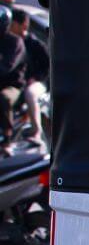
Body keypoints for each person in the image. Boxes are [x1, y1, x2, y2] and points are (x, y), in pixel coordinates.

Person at [8, 9, 47, 149]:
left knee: (30, 94)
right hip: (18, 83)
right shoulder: (9, 41)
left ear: (22, 24)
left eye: (13, 23)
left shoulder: (33, 44)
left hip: (37, 83)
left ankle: (36, 131)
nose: (10, 26)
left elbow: (47, 66)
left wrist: (35, 78)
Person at [0, 6, 26, 156]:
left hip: (12, 85)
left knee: (4, 98)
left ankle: (7, 138)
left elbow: (6, 67)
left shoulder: (14, 42)